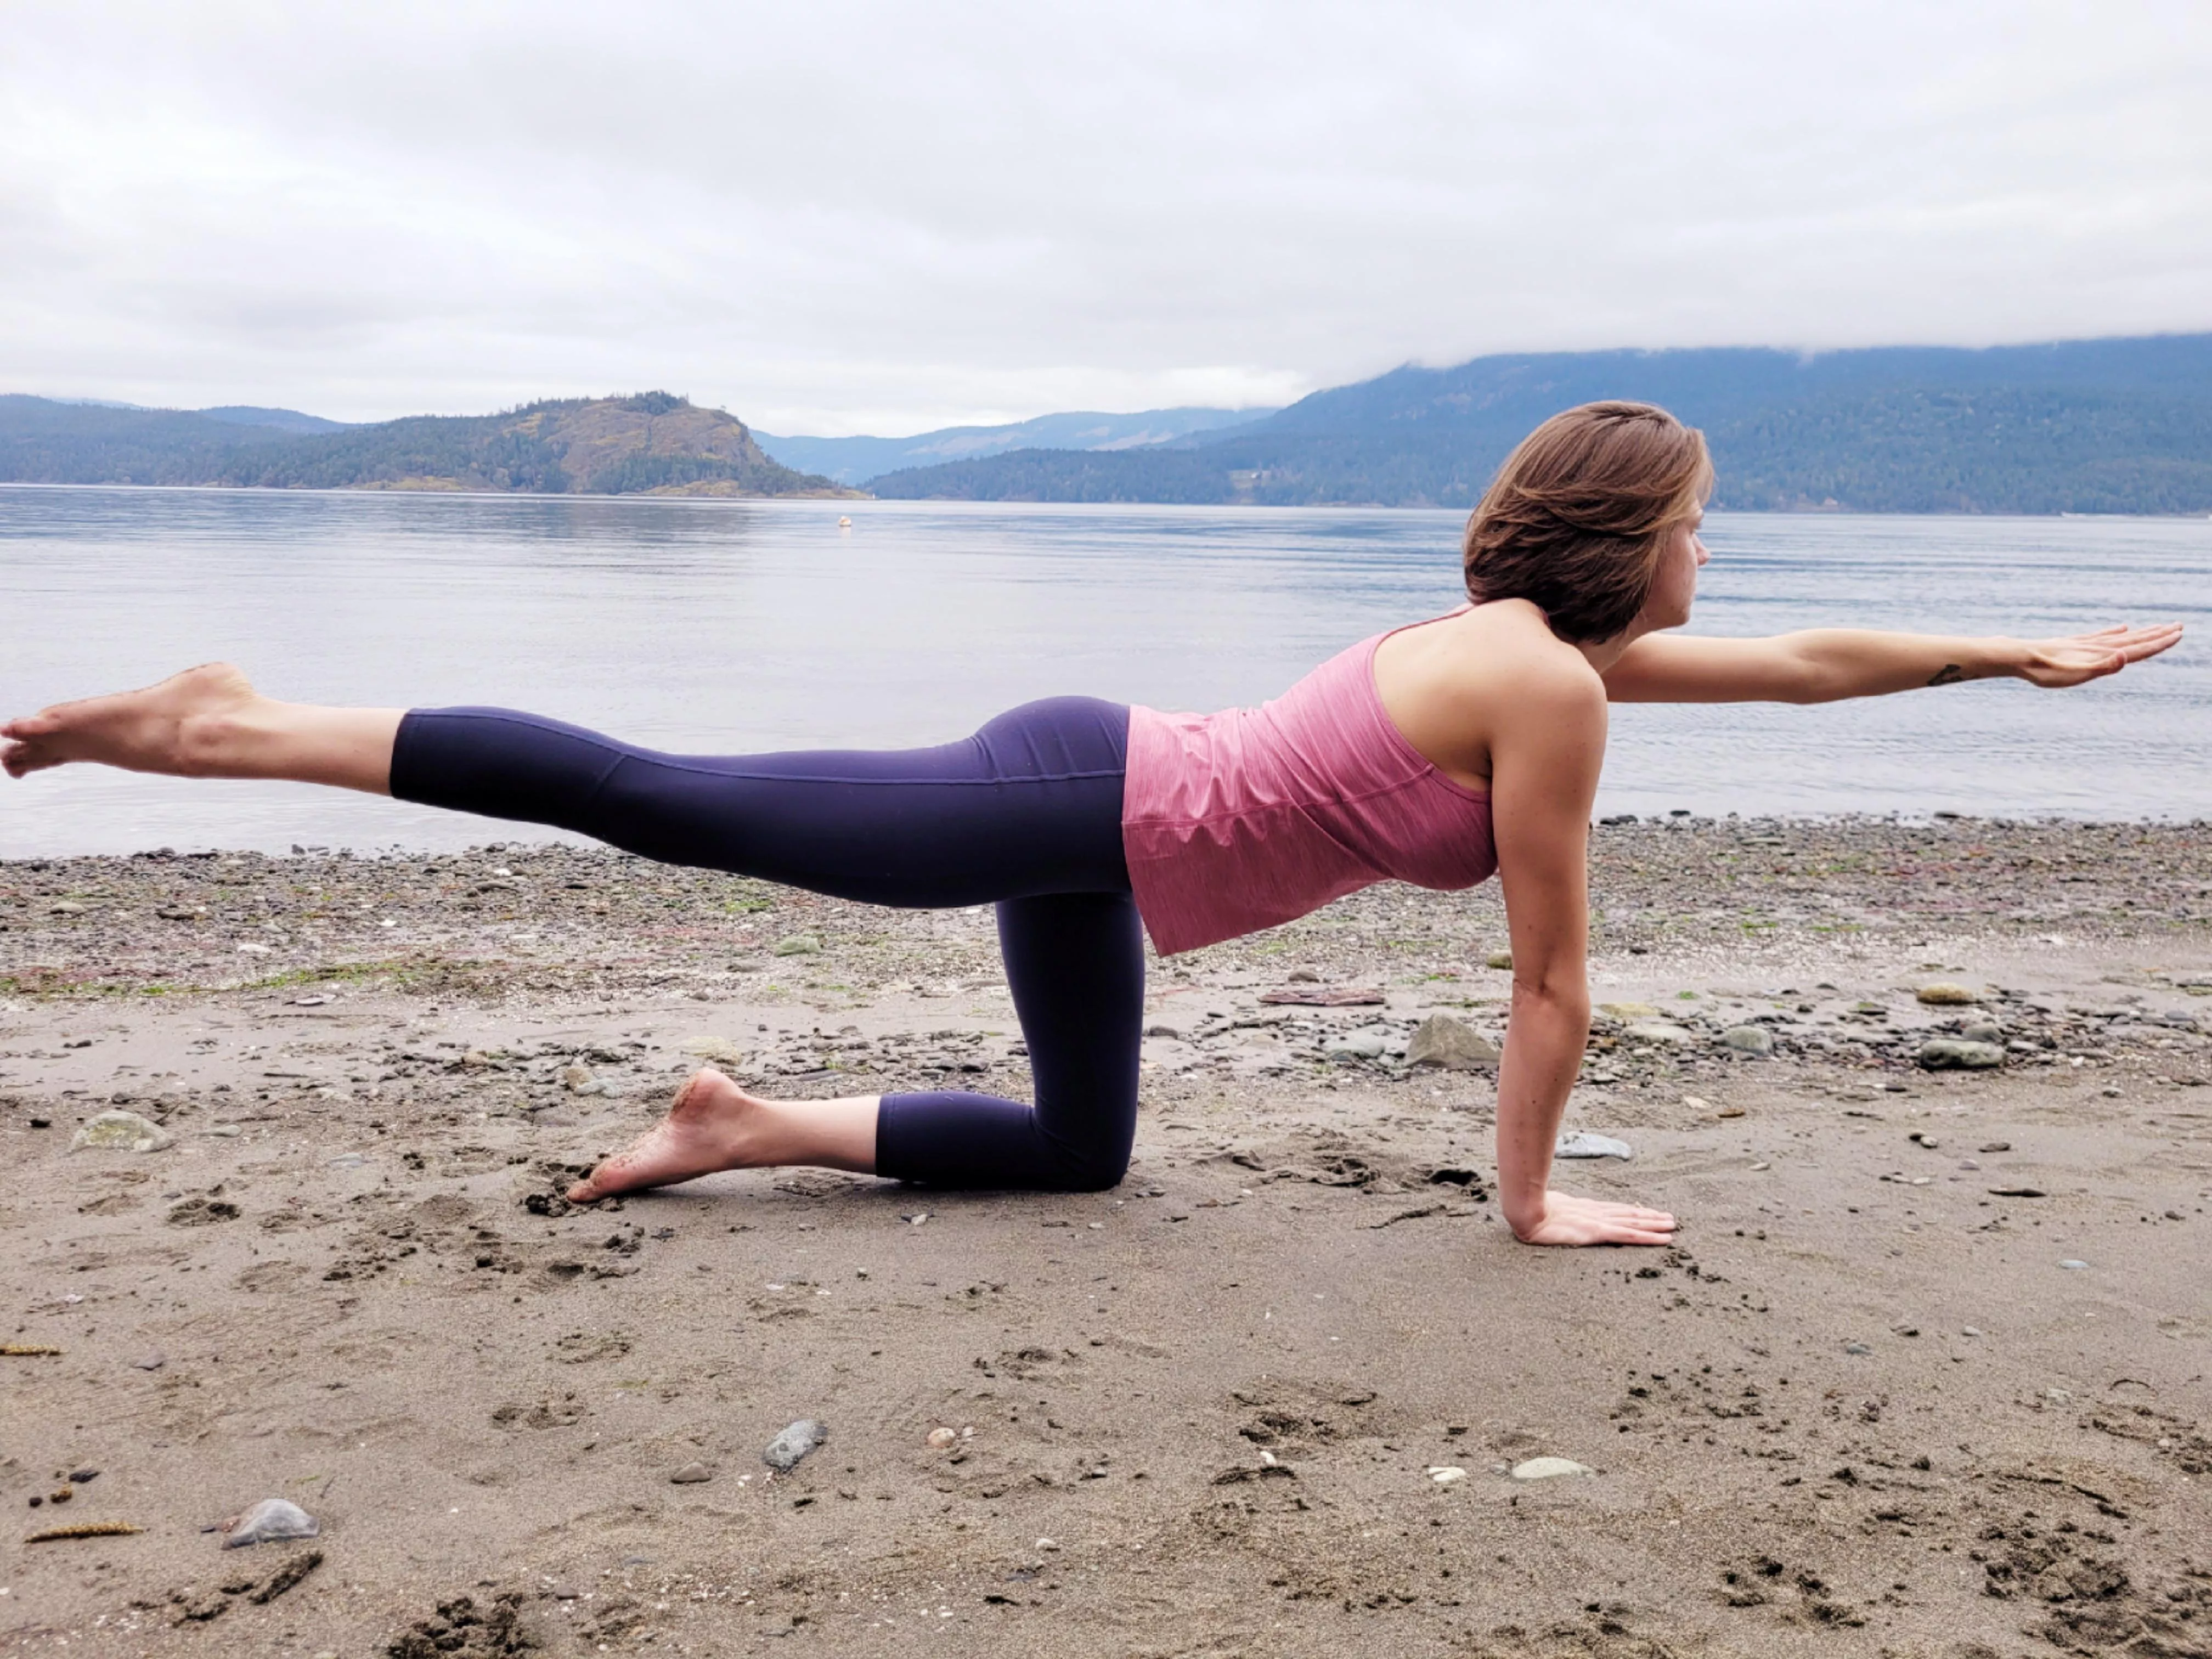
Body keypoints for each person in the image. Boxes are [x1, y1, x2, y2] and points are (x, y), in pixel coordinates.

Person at [2, 403, 2180, 1247]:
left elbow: (1799, 668)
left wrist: (2017, 664)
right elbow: (1549, 982)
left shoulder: (1542, 655)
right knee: (660, 798)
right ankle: (231, 721)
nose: (1727, 556)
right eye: (1712, 522)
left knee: (1075, 1156)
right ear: (1636, 534)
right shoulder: (1540, 681)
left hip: (1098, 846)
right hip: (1077, 793)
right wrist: (1530, 1210)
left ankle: (732, 1121)